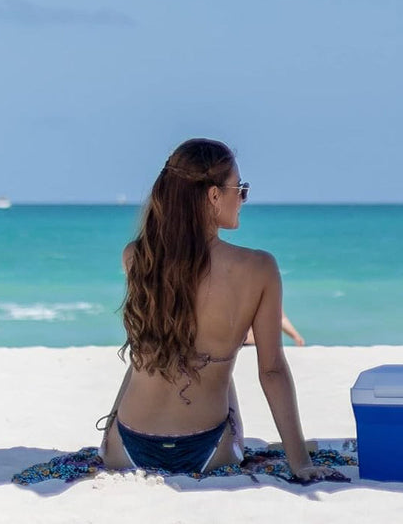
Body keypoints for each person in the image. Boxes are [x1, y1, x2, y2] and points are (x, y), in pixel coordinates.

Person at [98, 138, 325, 479]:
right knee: (218, 361)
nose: (243, 198)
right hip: (207, 451)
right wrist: (300, 463)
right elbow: (272, 370)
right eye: (241, 188)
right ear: (214, 195)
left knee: (154, 349)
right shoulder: (258, 267)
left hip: (126, 448)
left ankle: (113, 429)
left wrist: (110, 430)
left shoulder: (136, 256)